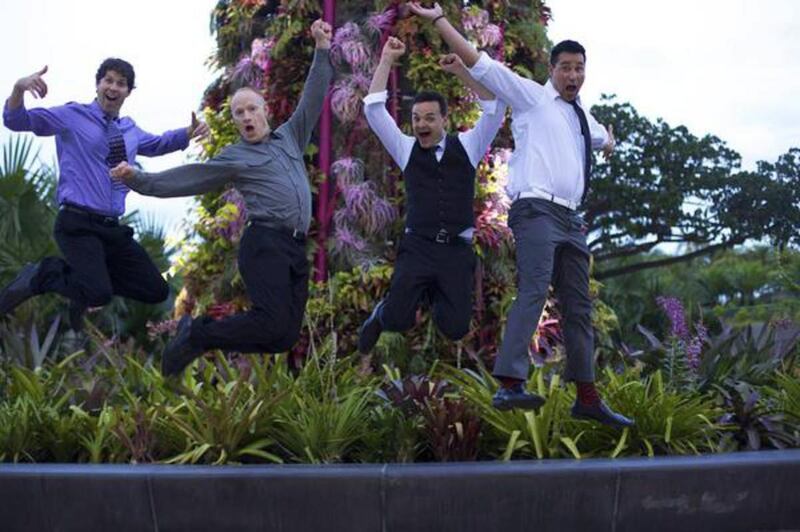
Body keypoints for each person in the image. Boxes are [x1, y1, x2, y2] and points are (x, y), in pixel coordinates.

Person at [410, 2, 633, 427]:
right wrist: (438, 20)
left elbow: (603, 138)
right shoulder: (532, 98)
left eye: (579, 68)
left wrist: (609, 142)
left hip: (572, 221)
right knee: (534, 289)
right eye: (565, 67)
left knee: (579, 307)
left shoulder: (583, 117)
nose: (572, 75)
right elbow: (481, 64)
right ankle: (510, 382)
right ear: (552, 70)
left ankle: (587, 397)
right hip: (536, 211)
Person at [111, 19, 334, 377]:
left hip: (295, 246)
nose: (246, 116)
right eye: (238, 113)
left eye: (252, 109)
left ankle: (201, 335)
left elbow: (314, 94)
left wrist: (322, 47)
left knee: (283, 336)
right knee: (271, 321)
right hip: (265, 244)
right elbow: (188, 178)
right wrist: (137, 178)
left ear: (265, 110)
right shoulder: (235, 157)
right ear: (235, 121)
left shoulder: (291, 136)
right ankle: (197, 334)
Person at [0, 58, 209, 331]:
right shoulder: (72, 116)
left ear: (128, 92)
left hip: (111, 230)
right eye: (108, 80)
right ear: (98, 84)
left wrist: (188, 132)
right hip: (78, 224)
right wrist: (19, 89)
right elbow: (16, 121)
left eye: (121, 83)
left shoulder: (129, 129)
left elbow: (158, 144)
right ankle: (42, 274)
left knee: (155, 290)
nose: (113, 87)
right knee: (99, 293)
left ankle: (83, 286)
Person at [357, 36, 506, 355]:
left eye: (429, 118)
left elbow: (494, 109)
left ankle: (434, 293)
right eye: (416, 119)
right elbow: (374, 110)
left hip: (456, 251)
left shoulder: (468, 146)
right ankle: (382, 314)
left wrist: (462, 72)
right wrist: (386, 59)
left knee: (455, 328)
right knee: (397, 320)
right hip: (419, 247)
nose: (421, 124)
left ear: (444, 120)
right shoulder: (406, 148)